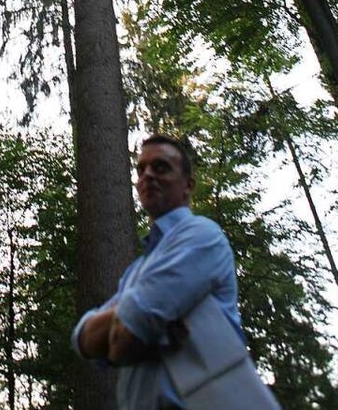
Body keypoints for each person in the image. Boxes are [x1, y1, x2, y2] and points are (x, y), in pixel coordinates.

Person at [71, 134, 270, 410]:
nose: (148, 175)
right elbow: (81, 340)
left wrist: (125, 329)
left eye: (161, 167)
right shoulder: (135, 272)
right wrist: (140, 323)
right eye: (141, 169)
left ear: (188, 185)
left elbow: (122, 340)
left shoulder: (201, 236)